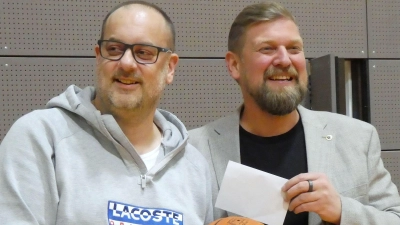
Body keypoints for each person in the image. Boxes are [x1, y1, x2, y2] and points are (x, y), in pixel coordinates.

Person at [0, 1, 213, 224]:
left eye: (144, 52)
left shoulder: (194, 167)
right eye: (114, 49)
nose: (127, 63)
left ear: (170, 67)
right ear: (98, 56)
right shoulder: (40, 139)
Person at [188, 2, 400, 225]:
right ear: (234, 65)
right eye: (267, 49)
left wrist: (341, 210)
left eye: (294, 48)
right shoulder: (195, 150)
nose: (284, 60)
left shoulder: (357, 138)